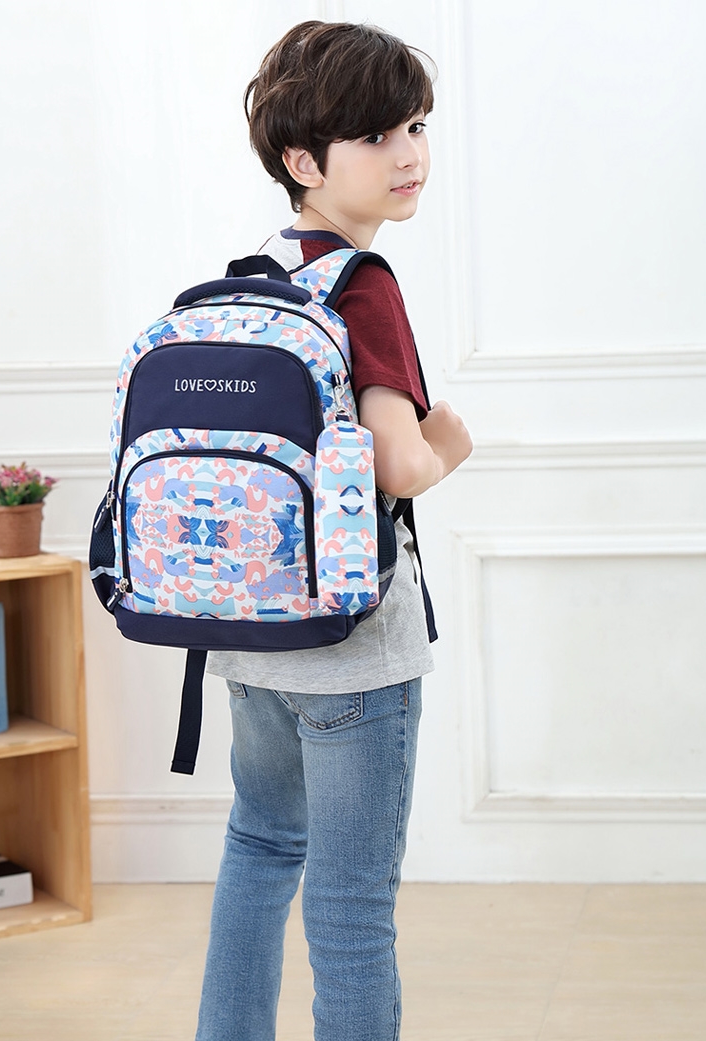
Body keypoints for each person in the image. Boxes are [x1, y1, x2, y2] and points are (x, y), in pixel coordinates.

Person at [195, 20, 472, 1041]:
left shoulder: (248, 274)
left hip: (248, 636)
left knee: (259, 849)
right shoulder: (365, 286)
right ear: (302, 162)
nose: (408, 154)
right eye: (376, 134)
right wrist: (450, 445)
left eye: (416, 126)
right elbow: (399, 465)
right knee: (353, 908)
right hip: (354, 649)